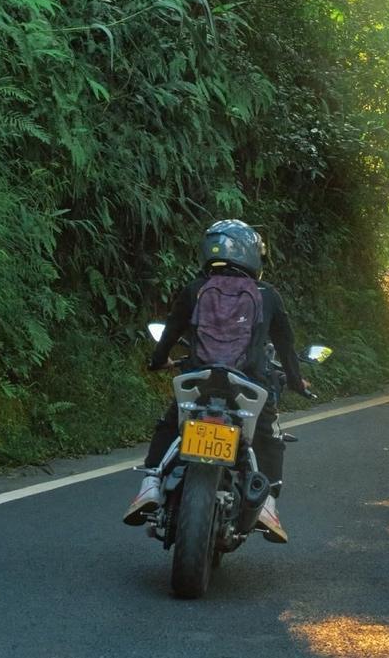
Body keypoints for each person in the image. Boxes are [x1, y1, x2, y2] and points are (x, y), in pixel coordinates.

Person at [123, 219, 312, 543]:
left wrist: (158, 362)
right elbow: (285, 346)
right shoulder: (267, 295)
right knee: (268, 435)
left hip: (201, 380)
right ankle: (266, 504)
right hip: (248, 385)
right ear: (253, 255)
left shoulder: (195, 289)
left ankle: (150, 483)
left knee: (171, 424)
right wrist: (297, 383)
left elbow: (170, 333)